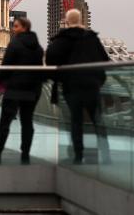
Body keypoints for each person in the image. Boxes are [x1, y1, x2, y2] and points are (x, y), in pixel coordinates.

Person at [46, 9, 111, 165]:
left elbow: (50, 62)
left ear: (67, 22)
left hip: (71, 87)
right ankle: (106, 155)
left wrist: (60, 79)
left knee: (76, 122)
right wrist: (98, 79)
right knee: (98, 121)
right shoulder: (92, 39)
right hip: (92, 86)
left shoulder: (61, 40)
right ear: (81, 20)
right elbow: (104, 60)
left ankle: (78, 155)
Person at [0, 17, 45, 165]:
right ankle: (25, 155)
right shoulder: (38, 48)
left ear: (23, 28)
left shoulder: (14, 44)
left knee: (5, 123)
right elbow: (40, 69)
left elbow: (5, 67)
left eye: (15, 26)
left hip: (14, 89)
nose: (13, 29)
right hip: (32, 90)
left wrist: (1, 80)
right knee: (27, 123)